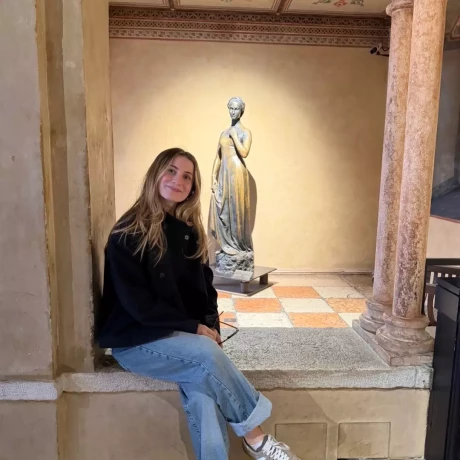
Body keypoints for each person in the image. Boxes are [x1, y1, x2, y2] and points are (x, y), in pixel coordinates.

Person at [96, 148, 300, 460]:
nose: (177, 180)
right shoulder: (128, 232)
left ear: (193, 188)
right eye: (171, 171)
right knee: (205, 357)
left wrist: (211, 328)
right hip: (136, 341)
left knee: (204, 390)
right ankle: (256, 439)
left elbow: (204, 291)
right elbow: (138, 305)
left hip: (177, 335)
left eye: (187, 177)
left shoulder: (189, 232)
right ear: (155, 174)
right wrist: (194, 329)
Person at [209, 97, 254, 274]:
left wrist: (235, 136)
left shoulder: (245, 132)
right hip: (224, 174)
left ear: (242, 111)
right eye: (231, 108)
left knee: (236, 210)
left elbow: (244, 152)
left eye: (236, 109)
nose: (233, 112)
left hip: (237, 174)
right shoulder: (223, 133)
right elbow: (218, 157)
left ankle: (239, 246)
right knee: (224, 209)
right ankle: (227, 246)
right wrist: (213, 177)